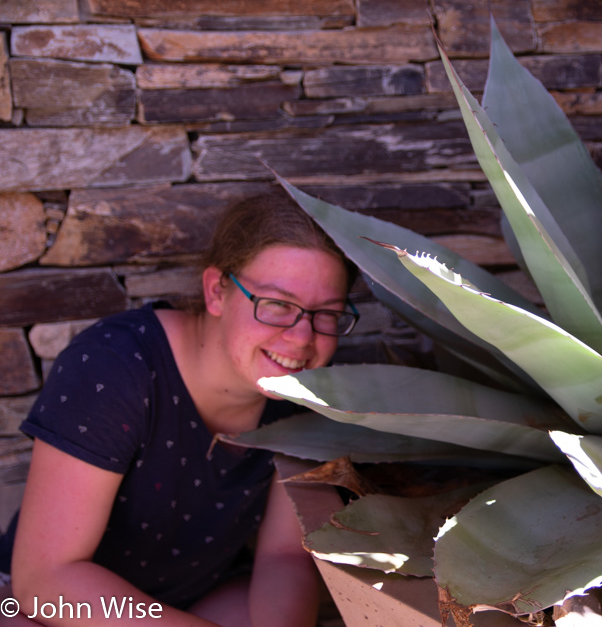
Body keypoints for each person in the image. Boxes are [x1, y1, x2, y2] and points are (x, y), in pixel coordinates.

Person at [0, 191, 358, 626]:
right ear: (216, 292)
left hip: (195, 598)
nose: (302, 338)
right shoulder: (115, 365)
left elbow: (283, 556)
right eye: (278, 305)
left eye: (327, 314)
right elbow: (46, 580)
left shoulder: (309, 389)